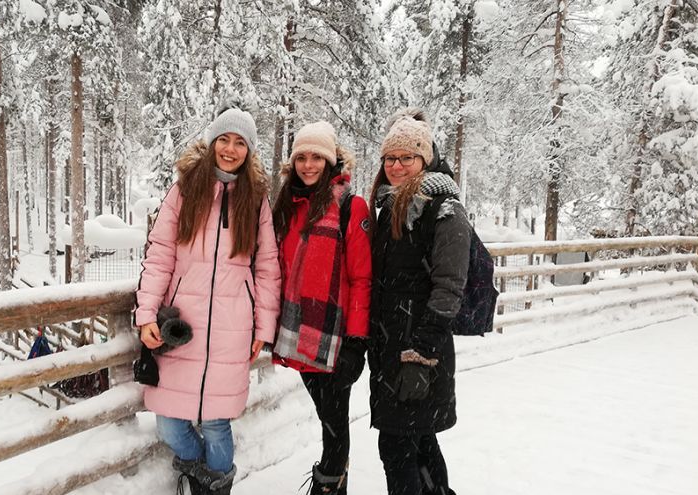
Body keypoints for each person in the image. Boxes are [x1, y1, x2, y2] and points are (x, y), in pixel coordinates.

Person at [135, 107, 281, 495]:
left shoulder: (256, 200)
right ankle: (200, 474)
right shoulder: (185, 189)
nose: (231, 150)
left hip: (233, 328)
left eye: (240, 143)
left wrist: (262, 329)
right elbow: (160, 253)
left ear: (249, 151)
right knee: (169, 421)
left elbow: (267, 267)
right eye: (224, 140)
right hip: (184, 325)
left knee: (217, 423)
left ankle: (214, 489)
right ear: (212, 141)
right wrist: (146, 311)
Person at [367, 108, 469, 495]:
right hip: (391, 348)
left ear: (424, 159)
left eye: (406, 158)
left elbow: (449, 286)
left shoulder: (444, 210)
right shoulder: (390, 206)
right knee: (420, 442)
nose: (396, 165)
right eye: (390, 158)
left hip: (419, 352)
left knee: (397, 446)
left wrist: (421, 353)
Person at [271, 121, 371, 495]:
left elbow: (362, 279)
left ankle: (329, 484)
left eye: (317, 157)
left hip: (334, 336)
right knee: (328, 416)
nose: (308, 165)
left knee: (333, 421)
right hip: (298, 333)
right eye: (302, 157)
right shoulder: (288, 205)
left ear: (330, 162)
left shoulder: (350, 206)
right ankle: (333, 481)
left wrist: (357, 341)